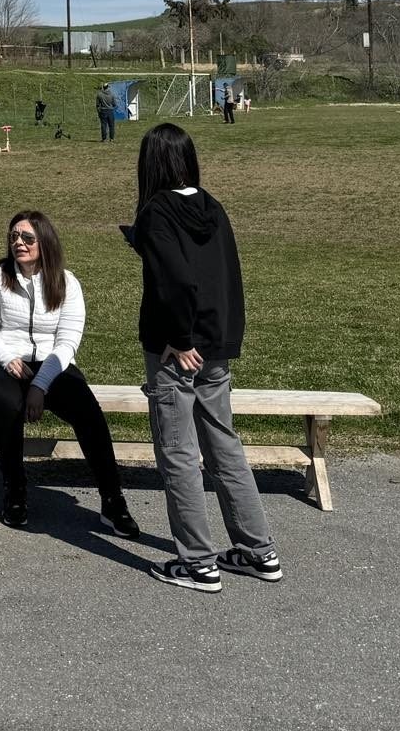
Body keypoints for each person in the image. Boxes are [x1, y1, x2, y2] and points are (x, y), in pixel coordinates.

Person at [125, 122, 281, 592]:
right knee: (224, 445)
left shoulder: (157, 212)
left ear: (150, 164)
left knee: (178, 452)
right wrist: (221, 340)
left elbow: (177, 281)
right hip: (217, 344)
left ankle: (198, 562)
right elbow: (223, 277)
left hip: (179, 350)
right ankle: (258, 550)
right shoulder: (213, 207)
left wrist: (179, 337)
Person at [0, 211, 136, 536]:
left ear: (44, 241)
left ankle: (112, 499)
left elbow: (67, 342)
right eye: (14, 237)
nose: (18, 243)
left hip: (53, 365)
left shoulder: (67, 282)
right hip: (6, 362)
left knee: (88, 410)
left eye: (28, 238)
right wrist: (7, 360)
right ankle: (15, 490)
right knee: (5, 403)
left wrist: (41, 385)